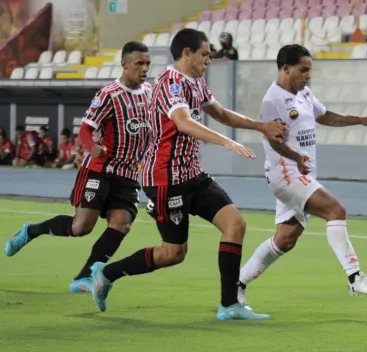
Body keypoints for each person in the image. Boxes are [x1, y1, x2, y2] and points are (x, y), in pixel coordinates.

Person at [89, 28, 286, 320]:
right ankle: (107, 273)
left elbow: (221, 114)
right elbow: (182, 122)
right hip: (165, 180)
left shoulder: (196, 82)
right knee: (173, 253)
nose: (209, 59)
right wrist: (225, 140)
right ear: (187, 54)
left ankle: (229, 305)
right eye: (205, 54)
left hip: (193, 175)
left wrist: (261, 127)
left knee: (236, 225)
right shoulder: (170, 83)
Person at [237, 45, 367, 309]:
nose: (308, 75)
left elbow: (326, 116)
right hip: (286, 173)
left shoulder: (304, 92)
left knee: (285, 239)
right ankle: (355, 276)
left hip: (298, 172)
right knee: (335, 210)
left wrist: (364, 120)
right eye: (303, 70)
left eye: (310, 70)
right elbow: (273, 141)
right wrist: (296, 158)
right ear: (286, 69)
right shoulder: (272, 100)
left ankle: (236, 285)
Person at [5, 41, 153, 294]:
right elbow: (85, 130)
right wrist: (90, 147)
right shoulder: (108, 95)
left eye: (148, 63)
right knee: (81, 227)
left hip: (128, 173)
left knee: (121, 224)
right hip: (100, 169)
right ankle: (32, 230)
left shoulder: (151, 92)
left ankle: (85, 275)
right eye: (139, 63)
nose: (145, 68)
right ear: (125, 64)